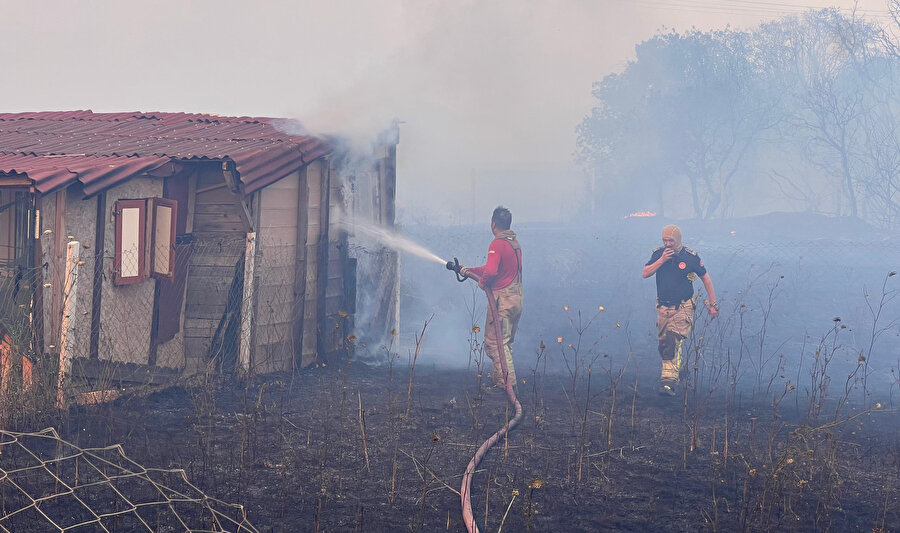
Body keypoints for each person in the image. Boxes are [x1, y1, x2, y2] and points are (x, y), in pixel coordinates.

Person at [642, 225, 718, 396]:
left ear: (678, 240)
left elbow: (705, 278)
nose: (668, 244)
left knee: (672, 340)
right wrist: (661, 260)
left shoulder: (689, 257)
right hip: (663, 307)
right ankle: (680, 371)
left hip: (683, 307)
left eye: (671, 240)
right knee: (664, 345)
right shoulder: (658, 254)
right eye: (665, 240)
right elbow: (645, 273)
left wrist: (712, 304)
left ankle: (668, 383)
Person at [460, 206, 524, 390]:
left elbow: (492, 271)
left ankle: (507, 387)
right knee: (505, 344)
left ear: (493, 224)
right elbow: (495, 269)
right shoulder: (514, 244)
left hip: (502, 300)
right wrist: (469, 271)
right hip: (516, 299)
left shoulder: (496, 244)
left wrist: (482, 283)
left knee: (495, 344)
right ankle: (502, 383)